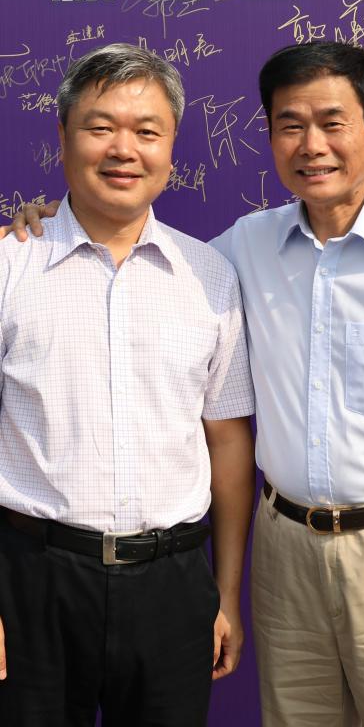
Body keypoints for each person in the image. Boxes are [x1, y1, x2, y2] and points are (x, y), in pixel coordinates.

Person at [7, 41, 364, 727]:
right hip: (278, 555)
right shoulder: (239, 251)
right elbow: (107, 224)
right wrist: (44, 224)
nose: (312, 145)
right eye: (290, 125)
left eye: (333, 123)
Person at [0, 43, 255, 727]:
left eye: (147, 131)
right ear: (62, 136)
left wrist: (225, 595)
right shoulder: (8, 267)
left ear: (170, 149)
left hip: (174, 587)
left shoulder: (210, 277)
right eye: (100, 127)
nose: (124, 149)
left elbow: (229, 444)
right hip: (31, 582)